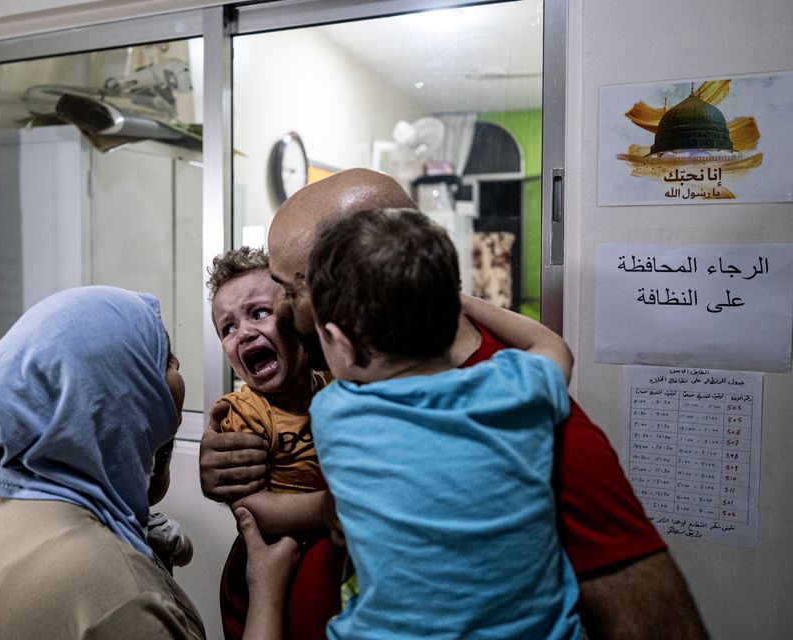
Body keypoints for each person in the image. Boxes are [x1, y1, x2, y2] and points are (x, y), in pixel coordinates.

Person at [200, 168, 709, 639]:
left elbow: (657, 625)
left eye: (290, 289)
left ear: (347, 287)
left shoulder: (531, 422)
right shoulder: (349, 386)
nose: (282, 312)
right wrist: (229, 469)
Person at [0, 285, 296, 640]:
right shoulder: (117, 593)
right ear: (110, 398)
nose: (179, 370)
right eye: (165, 360)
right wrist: (265, 591)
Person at [308, 206, 581, 638]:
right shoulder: (516, 388)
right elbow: (552, 346)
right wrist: (459, 302)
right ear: (451, 314)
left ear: (341, 343)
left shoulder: (334, 413)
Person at [207, 247, 341, 640]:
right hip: (270, 559)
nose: (243, 332)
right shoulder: (244, 412)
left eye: (258, 312)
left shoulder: (332, 385)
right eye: (227, 328)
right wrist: (330, 510)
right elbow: (249, 507)